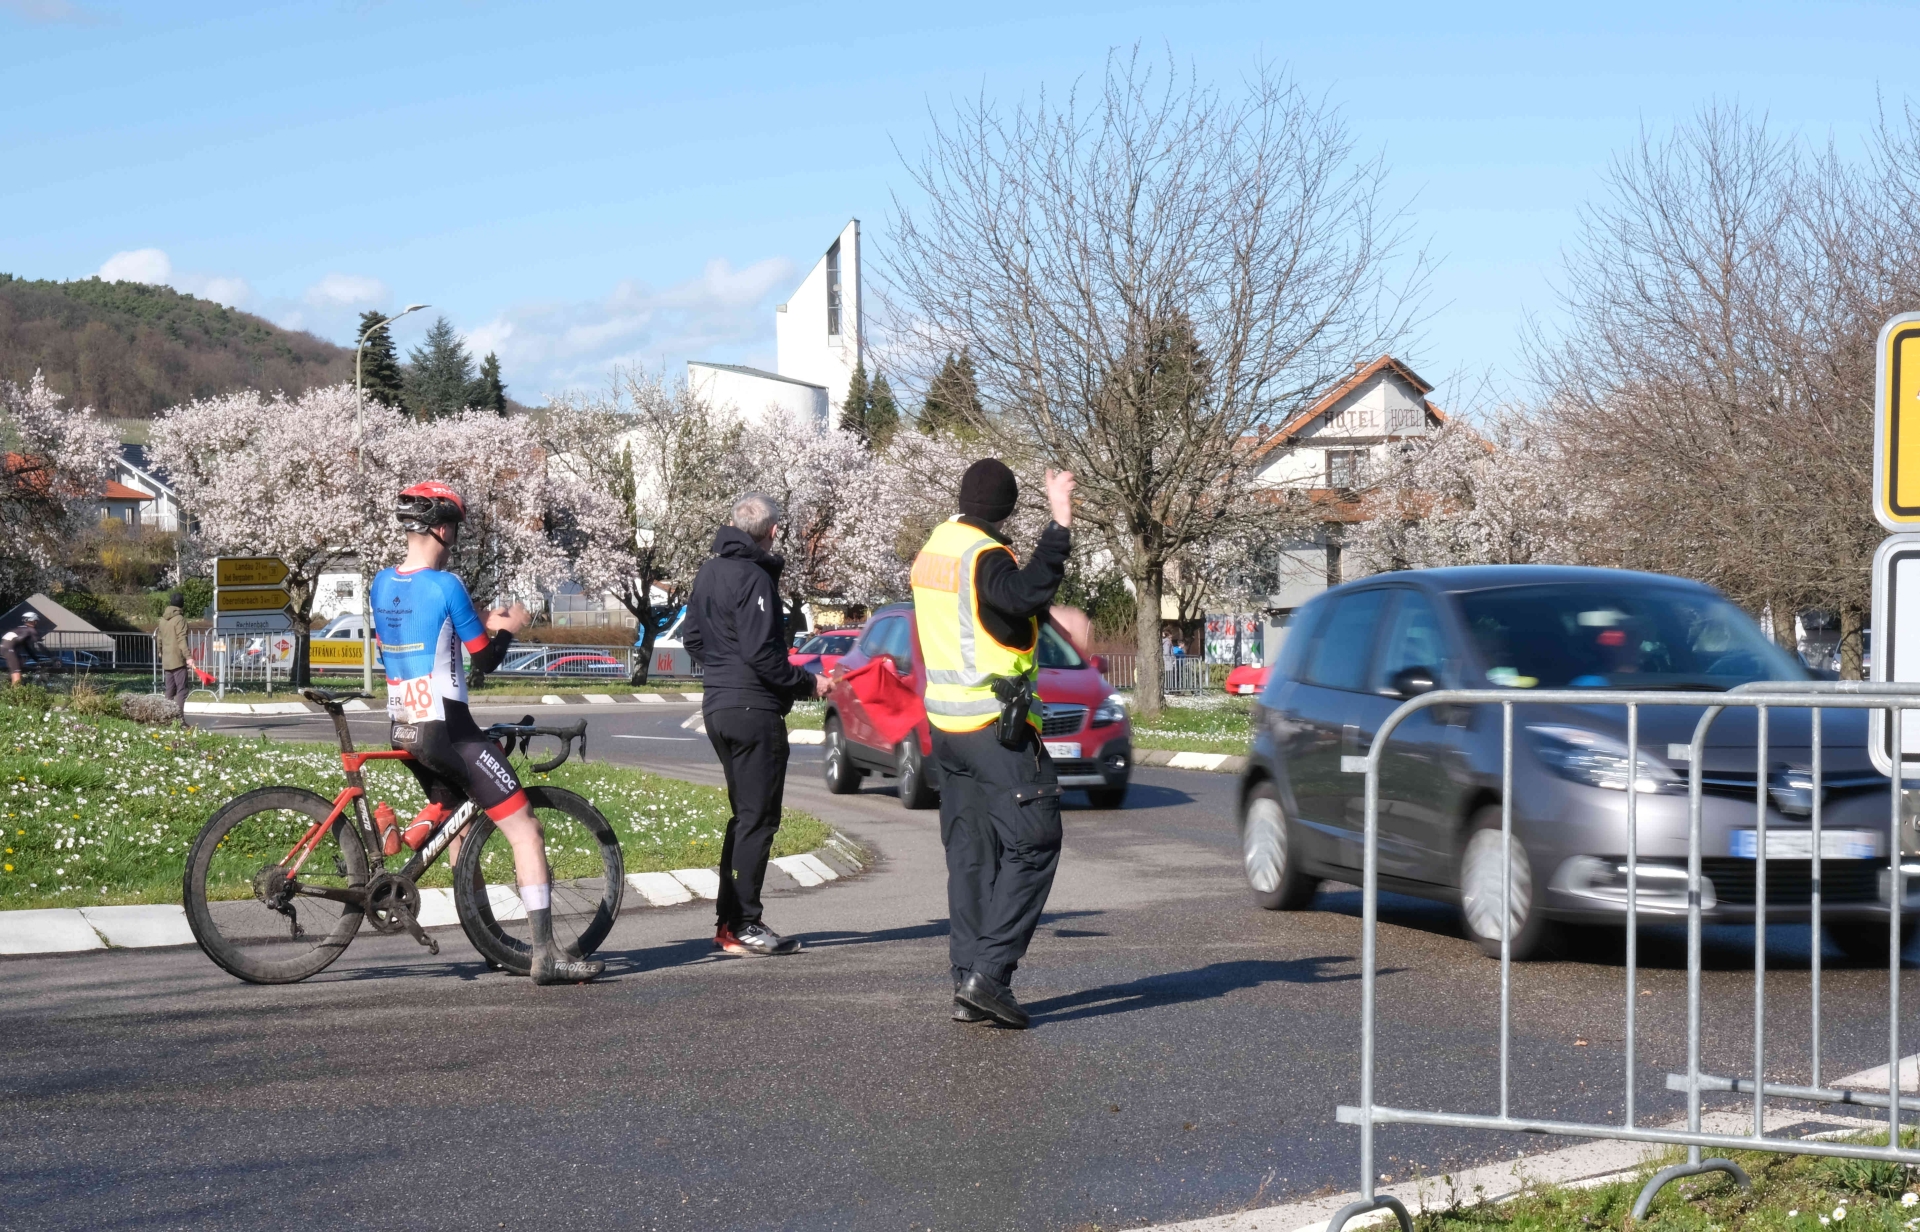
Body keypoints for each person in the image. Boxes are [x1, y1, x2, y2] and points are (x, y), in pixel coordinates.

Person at [370, 480, 603, 986]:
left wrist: (475, 621)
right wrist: (507, 628)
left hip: (403, 727)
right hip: (447, 730)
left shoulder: (381, 583)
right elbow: (486, 660)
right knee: (526, 830)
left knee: (458, 828)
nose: (455, 536)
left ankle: (490, 942)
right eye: (454, 526)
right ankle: (546, 956)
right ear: (440, 528)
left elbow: (421, 634)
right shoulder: (446, 585)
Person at [910, 458, 1075, 1029]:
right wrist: (1059, 523)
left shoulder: (936, 549)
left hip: (947, 730)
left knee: (971, 857)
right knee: (1035, 842)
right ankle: (989, 976)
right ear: (1007, 508)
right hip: (992, 728)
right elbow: (1021, 595)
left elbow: (987, 617)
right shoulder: (984, 555)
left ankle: (966, 981)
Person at [682, 492, 830, 958]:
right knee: (759, 819)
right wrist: (809, 683)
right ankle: (745, 922)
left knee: (744, 817)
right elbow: (763, 655)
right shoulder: (756, 577)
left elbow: (692, 639)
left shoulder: (708, 573)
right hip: (753, 711)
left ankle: (730, 923)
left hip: (718, 707)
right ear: (773, 531)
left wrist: (724, 669)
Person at [155, 592, 197, 704]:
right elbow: (181, 639)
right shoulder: (179, 619)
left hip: (167, 660)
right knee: (182, 691)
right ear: (182, 604)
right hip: (178, 660)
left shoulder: (163, 619)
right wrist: (188, 657)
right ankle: (178, 715)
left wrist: (160, 652)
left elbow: (159, 638)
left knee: (169, 691)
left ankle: (167, 714)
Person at [2, 610, 45, 685]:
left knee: (21, 662)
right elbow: (41, 647)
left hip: (6, 648)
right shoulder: (31, 630)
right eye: (36, 621)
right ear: (33, 621)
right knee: (17, 673)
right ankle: (15, 691)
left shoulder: (21, 630)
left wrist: (37, 659)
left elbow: (28, 649)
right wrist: (53, 657)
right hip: (9, 649)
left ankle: (9, 681)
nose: (37, 623)